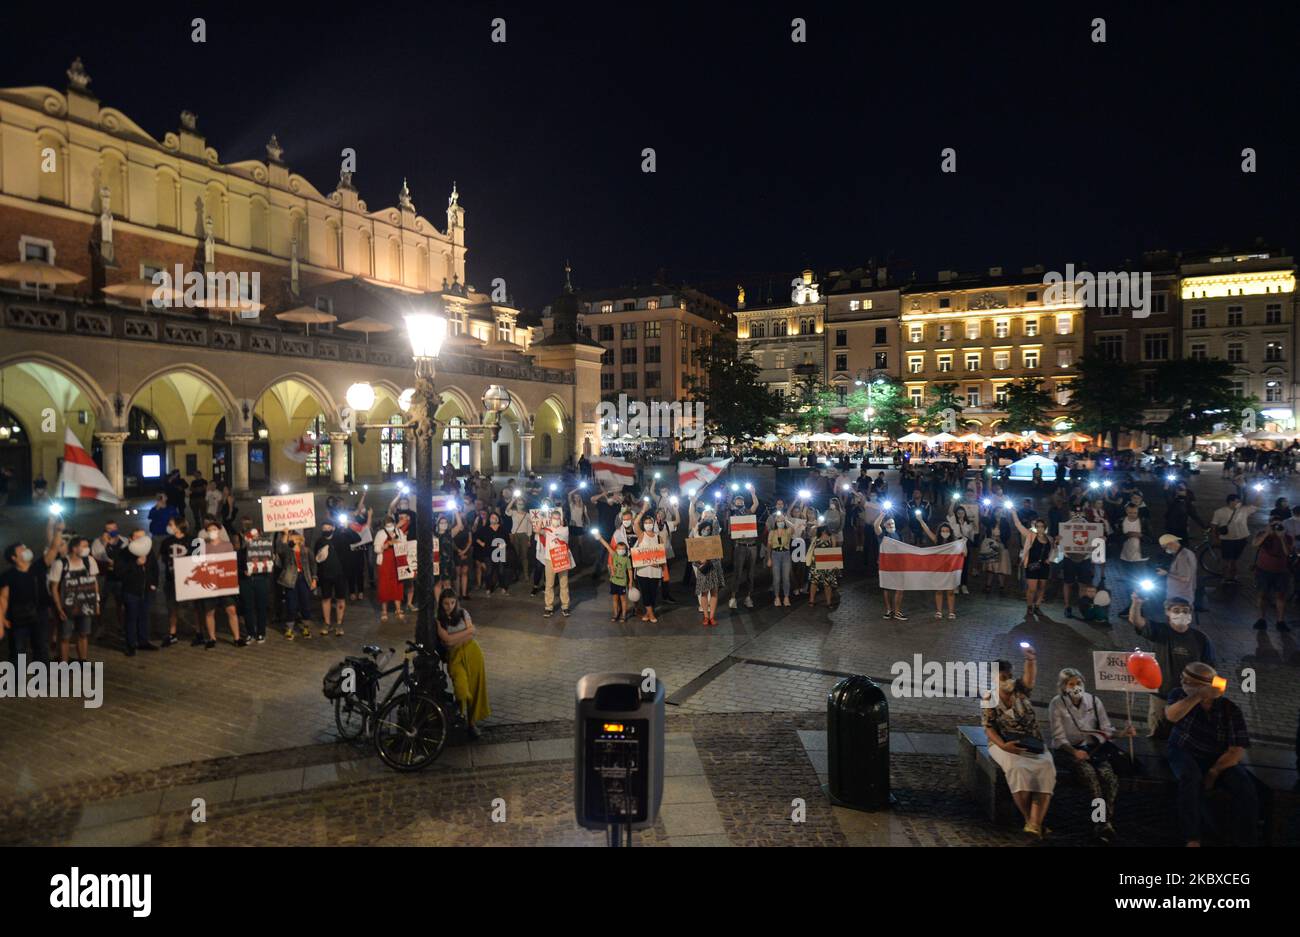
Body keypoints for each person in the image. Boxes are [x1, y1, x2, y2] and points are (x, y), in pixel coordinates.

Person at [1164, 662, 1258, 846]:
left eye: (1188, 681)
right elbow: (1172, 716)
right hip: (1183, 750)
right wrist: (1197, 696)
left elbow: (1236, 750)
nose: (1182, 683)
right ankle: (1192, 837)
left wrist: (1214, 773)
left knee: (1245, 788)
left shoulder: (1230, 710)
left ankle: (1246, 839)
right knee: (1190, 779)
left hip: (1219, 758)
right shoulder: (1179, 695)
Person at [1048, 668, 1134, 843]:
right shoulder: (1057, 703)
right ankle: (1100, 822)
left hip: (1093, 750)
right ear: (1064, 687)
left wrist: (1123, 733)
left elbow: (1106, 729)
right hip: (1067, 751)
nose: (1076, 687)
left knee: (1109, 778)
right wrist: (1074, 752)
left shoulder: (1094, 701)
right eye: (1071, 684)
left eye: (1079, 683)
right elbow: (1058, 737)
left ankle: (1104, 821)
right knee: (1090, 776)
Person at [982, 647, 1056, 838]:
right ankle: (1030, 821)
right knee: (1017, 769)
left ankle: (1033, 823)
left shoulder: (1019, 690)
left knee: (1046, 767)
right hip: (1004, 744)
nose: (1007, 680)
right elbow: (988, 728)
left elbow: (1029, 679)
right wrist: (1003, 746)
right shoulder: (989, 698)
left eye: (1009, 675)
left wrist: (1031, 660)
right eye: (1003, 676)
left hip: (1032, 742)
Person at [1130, 593, 1215, 738]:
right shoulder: (1159, 631)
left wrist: (1211, 696)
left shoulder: (1201, 639)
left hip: (1188, 698)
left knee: (1186, 737)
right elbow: (1136, 621)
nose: (1181, 614)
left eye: (1186, 610)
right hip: (1161, 696)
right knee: (1158, 736)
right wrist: (1137, 603)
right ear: (1167, 612)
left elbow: (1211, 670)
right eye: (1176, 610)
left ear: (1190, 614)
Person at [434, 590, 490, 740]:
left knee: (475, 688)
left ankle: (471, 724)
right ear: (441, 603)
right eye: (446, 603)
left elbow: (472, 633)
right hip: (454, 656)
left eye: (452, 602)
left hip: (473, 652)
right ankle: (460, 715)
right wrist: (465, 632)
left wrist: (456, 637)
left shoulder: (463, 613)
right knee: (462, 689)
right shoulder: (439, 619)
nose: (449, 606)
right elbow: (448, 641)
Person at [49, 536, 100, 663]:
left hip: (86, 604)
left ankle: (82, 661)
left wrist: (96, 602)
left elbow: (94, 583)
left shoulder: (89, 561)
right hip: (67, 606)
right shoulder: (60, 564)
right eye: (83, 546)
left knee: (83, 633)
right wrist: (59, 608)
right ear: (74, 548)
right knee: (65, 636)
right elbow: (54, 587)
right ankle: (64, 663)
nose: (86, 548)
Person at [198, 519, 245, 648]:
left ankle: (237, 638)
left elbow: (231, 564)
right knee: (209, 612)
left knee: (231, 610)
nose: (212, 532)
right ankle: (212, 638)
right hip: (210, 584)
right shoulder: (204, 548)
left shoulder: (227, 545)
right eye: (209, 530)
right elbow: (200, 566)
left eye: (214, 529)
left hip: (225, 584)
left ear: (219, 531)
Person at [1, 541, 50, 666]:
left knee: (41, 648)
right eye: (22, 549)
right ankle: (16, 681)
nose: (26, 550)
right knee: (18, 650)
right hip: (17, 618)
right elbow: (3, 598)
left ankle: (41, 680)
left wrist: (56, 530)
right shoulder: (8, 575)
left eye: (26, 547)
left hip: (40, 616)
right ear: (14, 557)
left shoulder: (38, 567)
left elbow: (53, 549)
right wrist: (1, 619)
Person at [118, 530, 158, 655]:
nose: (142, 539)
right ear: (130, 539)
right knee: (131, 618)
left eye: (143, 536)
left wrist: (154, 584)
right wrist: (135, 564)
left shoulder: (149, 551)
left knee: (144, 616)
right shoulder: (124, 553)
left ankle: (143, 641)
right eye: (138, 537)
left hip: (146, 590)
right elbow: (119, 572)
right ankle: (130, 644)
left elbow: (154, 568)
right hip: (131, 591)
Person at [1250, 521, 1292, 632]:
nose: (1275, 528)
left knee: (1281, 596)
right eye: (1273, 525)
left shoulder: (1287, 537)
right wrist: (1266, 533)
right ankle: (1261, 619)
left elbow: (1287, 552)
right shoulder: (1262, 534)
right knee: (1262, 595)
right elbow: (1255, 544)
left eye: (1278, 525)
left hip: (1281, 571)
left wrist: (1282, 538)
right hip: (1263, 570)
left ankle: (1280, 621)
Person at [1011, 508, 1052, 618]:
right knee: (1032, 588)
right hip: (1032, 565)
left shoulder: (1049, 539)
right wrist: (1014, 512)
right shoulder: (1031, 535)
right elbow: (1018, 525)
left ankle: (1037, 606)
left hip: (1044, 566)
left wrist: (1050, 559)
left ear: (1045, 528)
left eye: (1041, 526)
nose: (1039, 529)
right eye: (1037, 526)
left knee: (1042, 587)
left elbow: (1055, 551)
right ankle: (1029, 607)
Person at [276, 529, 317, 639]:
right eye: (290, 539)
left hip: (304, 579)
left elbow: (313, 565)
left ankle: (306, 627)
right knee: (291, 604)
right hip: (291, 580)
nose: (291, 540)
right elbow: (280, 549)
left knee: (305, 604)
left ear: (299, 540)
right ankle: (289, 628)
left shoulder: (307, 551)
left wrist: (314, 579)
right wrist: (285, 534)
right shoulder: (288, 551)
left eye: (293, 538)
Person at [236, 524, 273, 644]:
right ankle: (250, 633)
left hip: (261, 580)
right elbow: (236, 568)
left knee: (261, 607)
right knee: (248, 608)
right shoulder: (241, 552)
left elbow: (271, 565)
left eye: (256, 536)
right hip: (246, 582)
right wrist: (243, 572)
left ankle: (261, 633)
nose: (253, 539)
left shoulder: (266, 551)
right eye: (250, 537)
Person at [918, 517, 960, 619]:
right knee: (939, 591)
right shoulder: (937, 540)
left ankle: (951, 612)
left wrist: (964, 544)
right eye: (942, 531)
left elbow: (964, 554)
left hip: (950, 570)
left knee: (950, 591)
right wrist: (920, 520)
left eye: (946, 531)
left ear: (950, 532)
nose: (944, 532)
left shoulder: (954, 543)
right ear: (939, 532)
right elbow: (927, 530)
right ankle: (939, 611)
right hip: (939, 570)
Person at [725, 486, 760, 609]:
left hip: (752, 546)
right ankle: (733, 597)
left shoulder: (748, 512)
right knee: (737, 573)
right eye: (737, 501)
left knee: (750, 574)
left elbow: (756, 504)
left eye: (742, 501)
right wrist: (730, 495)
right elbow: (727, 505)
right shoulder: (731, 513)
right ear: (734, 503)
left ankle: (748, 597)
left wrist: (752, 493)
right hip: (740, 546)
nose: (740, 502)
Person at [314, 518, 348, 636]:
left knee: (340, 598)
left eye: (328, 528)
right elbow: (316, 559)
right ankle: (327, 623)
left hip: (340, 574)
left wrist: (344, 528)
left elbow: (355, 539)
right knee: (326, 598)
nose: (326, 530)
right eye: (324, 529)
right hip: (325, 575)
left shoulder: (340, 538)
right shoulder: (319, 542)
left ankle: (339, 624)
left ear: (333, 528)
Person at [689, 515, 724, 626]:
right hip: (703, 570)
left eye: (708, 530)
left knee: (714, 593)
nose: (706, 531)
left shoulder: (714, 540)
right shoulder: (696, 541)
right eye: (704, 529)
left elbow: (718, 555)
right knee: (704, 593)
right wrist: (700, 561)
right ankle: (705, 616)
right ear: (700, 530)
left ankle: (712, 617)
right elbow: (693, 558)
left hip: (713, 569)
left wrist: (714, 517)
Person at [537, 508, 572, 618]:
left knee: (564, 583)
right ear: (551, 519)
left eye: (558, 518)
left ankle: (565, 606)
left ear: (560, 519)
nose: (556, 520)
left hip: (561, 558)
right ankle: (548, 607)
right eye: (554, 518)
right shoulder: (547, 530)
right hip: (550, 559)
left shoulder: (565, 529)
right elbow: (537, 530)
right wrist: (541, 517)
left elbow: (565, 541)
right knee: (549, 584)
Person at [593, 528, 633, 622]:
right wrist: (600, 538)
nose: (621, 550)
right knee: (615, 599)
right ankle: (615, 614)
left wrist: (630, 581)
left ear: (625, 550)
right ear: (617, 549)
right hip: (614, 581)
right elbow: (607, 546)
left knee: (623, 599)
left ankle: (623, 615)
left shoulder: (626, 559)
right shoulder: (614, 555)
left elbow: (630, 570)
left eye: (623, 549)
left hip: (622, 582)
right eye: (619, 548)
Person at [631, 513, 665, 622]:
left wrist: (658, 563)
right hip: (643, 570)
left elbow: (662, 554)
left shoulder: (659, 537)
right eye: (646, 523)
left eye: (650, 522)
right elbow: (635, 522)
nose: (648, 524)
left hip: (655, 570)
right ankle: (652, 615)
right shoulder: (641, 535)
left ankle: (647, 613)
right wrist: (644, 510)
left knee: (653, 593)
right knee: (645, 592)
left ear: (653, 524)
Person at [1209, 493, 1250, 584]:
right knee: (1227, 560)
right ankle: (1225, 577)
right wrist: (1215, 538)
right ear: (1231, 502)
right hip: (1227, 540)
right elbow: (1214, 525)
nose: (1239, 503)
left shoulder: (1243, 510)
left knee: (1235, 560)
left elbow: (1256, 505)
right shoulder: (1219, 512)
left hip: (1241, 539)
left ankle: (1233, 577)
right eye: (1237, 501)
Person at [873, 508, 906, 619]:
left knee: (900, 587)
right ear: (885, 525)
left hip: (898, 564)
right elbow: (875, 525)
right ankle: (889, 610)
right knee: (887, 588)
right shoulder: (882, 534)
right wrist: (882, 513)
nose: (891, 525)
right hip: (885, 564)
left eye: (892, 523)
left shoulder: (899, 534)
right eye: (889, 523)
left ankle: (897, 611)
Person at [373, 515, 407, 622]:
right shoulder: (380, 533)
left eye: (391, 523)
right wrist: (384, 546)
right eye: (387, 523)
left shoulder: (398, 531)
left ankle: (398, 609)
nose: (389, 524)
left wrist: (397, 542)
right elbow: (376, 549)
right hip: (385, 562)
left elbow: (404, 545)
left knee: (398, 584)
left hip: (397, 561)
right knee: (384, 584)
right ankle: (384, 611)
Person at [1156, 533, 1197, 615]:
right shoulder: (1186, 552)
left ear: (1171, 544)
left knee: (1175, 620)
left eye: (1165, 547)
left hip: (1180, 596)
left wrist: (1166, 574)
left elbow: (1185, 578)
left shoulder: (1183, 556)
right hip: (1182, 594)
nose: (1165, 550)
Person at [806, 525, 839, 609]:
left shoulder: (831, 537)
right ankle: (811, 600)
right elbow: (810, 532)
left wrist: (834, 564)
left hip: (827, 563)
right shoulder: (816, 536)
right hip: (816, 563)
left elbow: (834, 550)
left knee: (827, 584)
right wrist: (816, 525)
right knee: (814, 582)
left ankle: (828, 602)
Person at [479, 512, 510, 595]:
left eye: (495, 517)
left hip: (500, 552)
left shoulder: (502, 529)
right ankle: (488, 588)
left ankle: (503, 587)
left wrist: (503, 545)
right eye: (492, 517)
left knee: (501, 570)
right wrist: (481, 543)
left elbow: (507, 541)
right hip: (488, 553)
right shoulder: (485, 529)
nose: (493, 518)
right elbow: (476, 537)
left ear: (498, 519)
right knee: (489, 571)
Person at [767, 511, 793, 606]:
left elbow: (793, 527)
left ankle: (786, 597)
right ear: (775, 522)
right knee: (776, 578)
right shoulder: (772, 532)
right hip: (775, 555)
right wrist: (769, 558)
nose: (780, 521)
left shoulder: (787, 531)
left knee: (786, 577)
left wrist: (785, 519)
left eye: (782, 520)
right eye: (778, 520)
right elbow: (769, 546)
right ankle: (777, 597)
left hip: (786, 554)